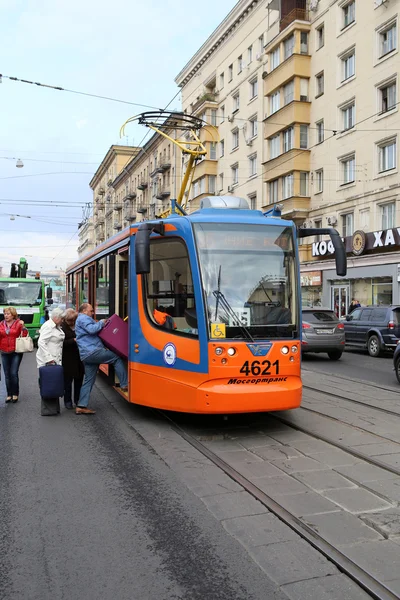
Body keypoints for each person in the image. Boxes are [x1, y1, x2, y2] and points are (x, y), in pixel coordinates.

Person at [75, 303, 128, 415]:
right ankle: (124, 384)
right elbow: (91, 329)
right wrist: (101, 322)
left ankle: (81, 405)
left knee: (89, 380)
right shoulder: (83, 318)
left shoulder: (80, 319)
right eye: (91, 310)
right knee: (116, 358)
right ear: (84, 311)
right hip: (93, 351)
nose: (92, 312)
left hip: (87, 355)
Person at [36, 307, 65, 416]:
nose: (63, 320)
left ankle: (54, 409)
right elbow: (41, 343)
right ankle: (48, 410)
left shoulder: (56, 326)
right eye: (62, 318)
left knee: (54, 384)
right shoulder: (48, 326)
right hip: (47, 361)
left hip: (55, 359)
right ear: (57, 318)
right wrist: (49, 358)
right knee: (48, 384)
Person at [0, 307, 27, 403]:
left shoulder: (18, 323)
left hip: (16, 351)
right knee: (7, 374)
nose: (6, 315)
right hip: (4, 351)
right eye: (5, 314)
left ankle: (15, 393)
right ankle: (9, 394)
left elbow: (24, 335)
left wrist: (23, 327)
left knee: (13, 373)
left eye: (8, 314)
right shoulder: (1, 324)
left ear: (13, 315)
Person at [61, 308, 84, 410]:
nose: (72, 322)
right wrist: (73, 340)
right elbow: (60, 343)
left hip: (79, 358)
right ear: (65, 319)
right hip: (67, 358)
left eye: (74, 320)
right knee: (68, 382)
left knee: (79, 380)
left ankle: (77, 400)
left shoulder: (78, 325)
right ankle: (68, 401)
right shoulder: (61, 328)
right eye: (70, 320)